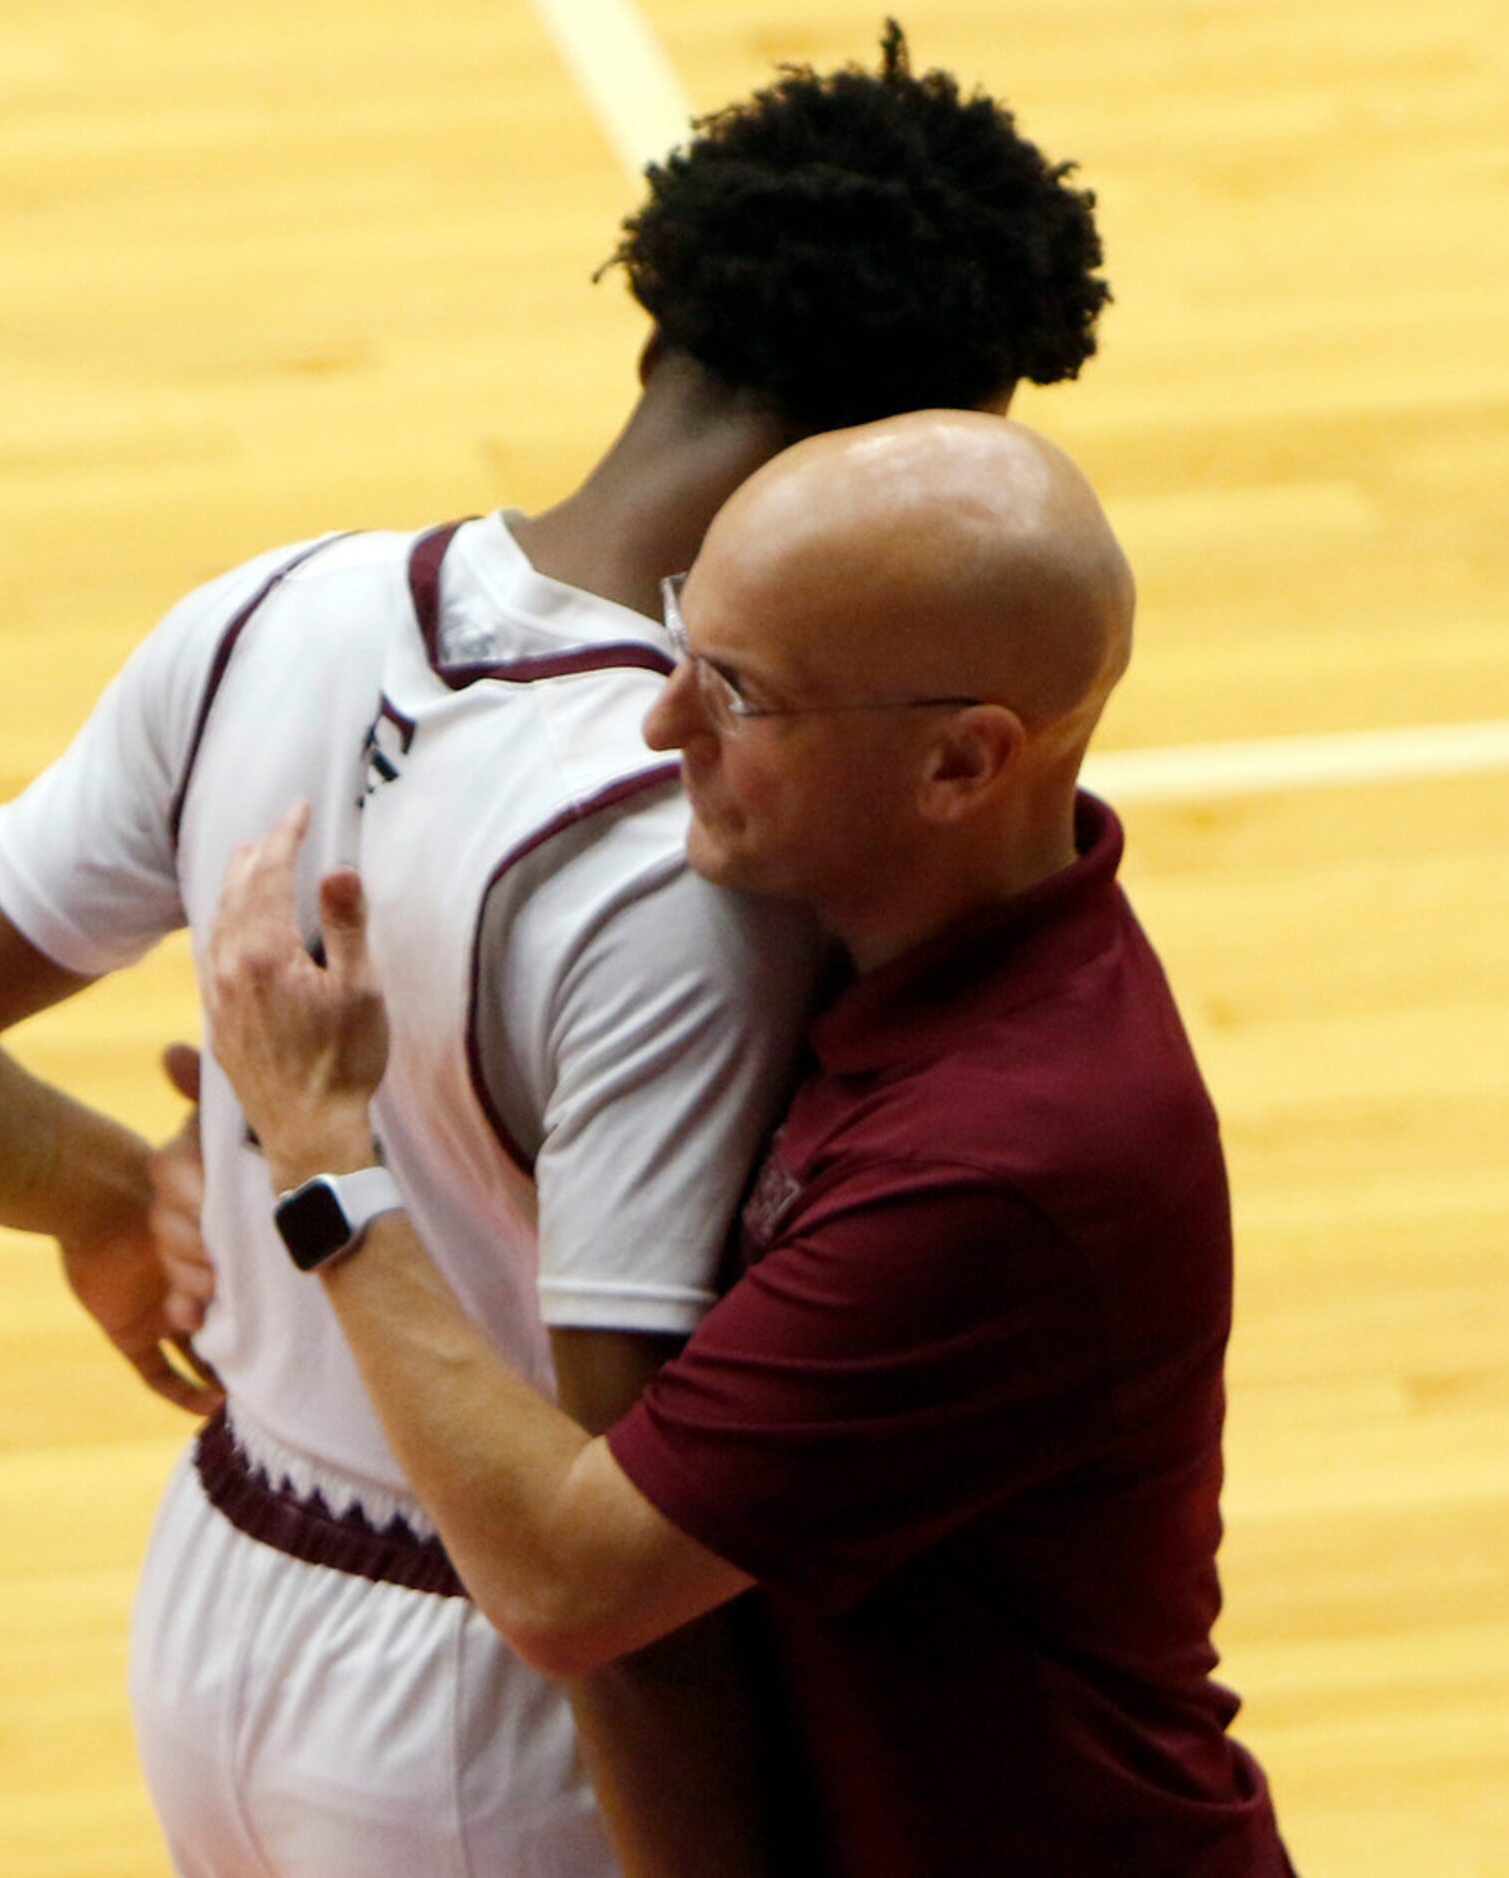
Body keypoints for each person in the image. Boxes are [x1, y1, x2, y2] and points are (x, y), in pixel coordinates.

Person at [0, 24, 1112, 1876]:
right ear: (905, 467)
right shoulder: (704, 845)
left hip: (214, 1597)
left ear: (655, 322)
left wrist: (108, 1198)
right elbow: (611, 1571)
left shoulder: (268, 613)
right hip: (495, 1711)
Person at [201, 410, 1295, 1874]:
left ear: (964, 765)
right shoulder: (886, 941)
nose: (663, 727)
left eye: (738, 692)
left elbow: (572, 1583)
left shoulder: (1006, 1163)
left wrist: (325, 1158)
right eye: (679, 643)